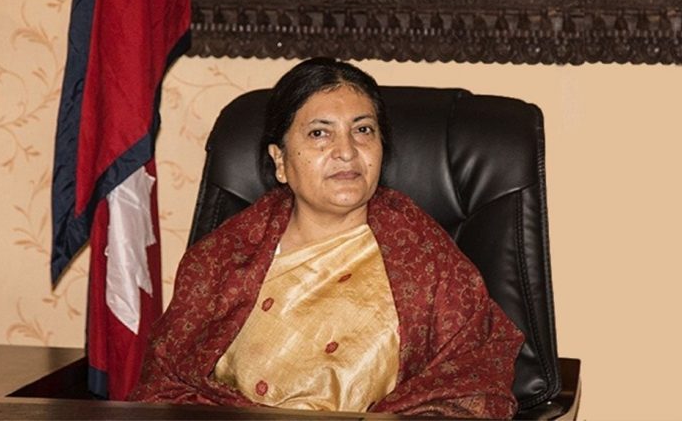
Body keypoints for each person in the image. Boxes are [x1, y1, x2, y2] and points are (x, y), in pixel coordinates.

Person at [129, 58, 524, 419]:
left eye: (363, 130)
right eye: (320, 133)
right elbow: (166, 390)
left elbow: (473, 384)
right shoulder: (221, 260)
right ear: (280, 160)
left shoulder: (424, 259)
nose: (346, 152)